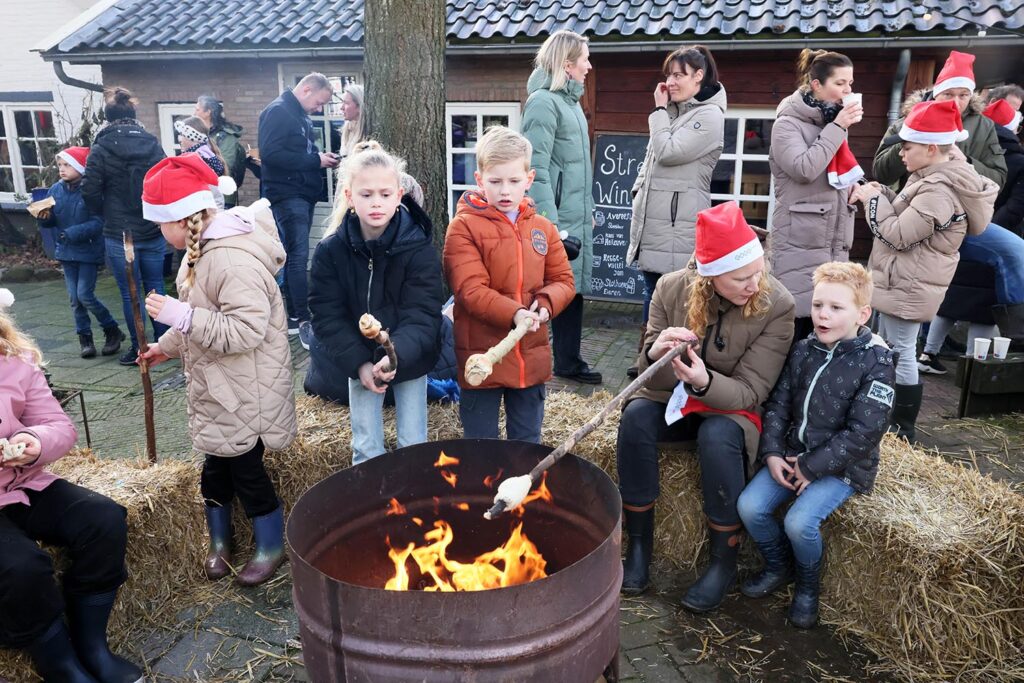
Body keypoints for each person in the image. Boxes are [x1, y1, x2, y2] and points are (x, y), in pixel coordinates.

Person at [616, 201, 795, 611]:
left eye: (758, 271)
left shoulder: (777, 305)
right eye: (741, 278)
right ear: (711, 276)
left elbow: (751, 391)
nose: (755, 284)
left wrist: (703, 381)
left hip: (733, 409)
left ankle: (723, 560)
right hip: (674, 402)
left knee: (717, 434)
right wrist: (654, 355)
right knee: (637, 417)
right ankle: (639, 546)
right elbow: (648, 378)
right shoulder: (670, 288)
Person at [138, 155, 298, 586]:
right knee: (214, 470)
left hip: (246, 391)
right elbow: (199, 315)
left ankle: (270, 545)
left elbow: (245, 331)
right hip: (220, 390)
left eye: (160, 224)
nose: (159, 232)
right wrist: (166, 346)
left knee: (247, 472)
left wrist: (181, 319)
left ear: (181, 219)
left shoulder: (229, 261)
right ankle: (220, 541)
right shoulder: (202, 254)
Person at [737, 262, 895, 629]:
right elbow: (778, 403)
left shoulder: (877, 361)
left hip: (842, 467)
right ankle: (780, 567)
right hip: (793, 453)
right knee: (749, 506)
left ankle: (809, 587)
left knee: (799, 522)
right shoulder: (805, 348)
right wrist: (773, 452)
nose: (823, 315)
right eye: (819, 305)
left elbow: (864, 432)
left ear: (862, 313)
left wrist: (812, 467)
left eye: (836, 308)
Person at [0, 290, 142, 683]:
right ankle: (60, 663)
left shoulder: (14, 361)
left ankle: (91, 644)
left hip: (22, 481)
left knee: (103, 519)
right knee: (22, 569)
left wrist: (33, 443)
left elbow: (59, 426)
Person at [851, 100, 997, 441]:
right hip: (904, 280)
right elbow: (904, 214)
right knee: (891, 350)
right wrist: (881, 191)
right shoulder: (929, 178)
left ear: (932, 147)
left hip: (909, 285)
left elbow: (899, 235)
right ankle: (888, 420)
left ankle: (902, 429)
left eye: (907, 146)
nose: (901, 153)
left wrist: (872, 200)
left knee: (900, 353)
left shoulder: (939, 190)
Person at [307, 144, 442, 464]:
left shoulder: (418, 248)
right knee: (365, 445)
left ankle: (414, 507)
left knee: (413, 443)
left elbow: (423, 313)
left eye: (384, 194)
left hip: (410, 355)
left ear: (399, 195)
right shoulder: (331, 252)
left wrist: (396, 356)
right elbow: (327, 315)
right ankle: (373, 507)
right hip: (359, 356)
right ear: (350, 197)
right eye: (366, 194)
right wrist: (360, 363)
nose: (376, 202)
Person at [443, 126, 575, 442]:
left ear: (528, 180)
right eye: (495, 181)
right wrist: (516, 313)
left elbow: (563, 281)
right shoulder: (462, 228)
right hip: (481, 357)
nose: (505, 191)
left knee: (527, 444)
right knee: (481, 445)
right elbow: (470, 289)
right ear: (479, 180)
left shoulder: (543, 228)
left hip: (530, 358)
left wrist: (545, 304)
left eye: (514, 181)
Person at [626, 45, 726, 378]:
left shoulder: (708, 116)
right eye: (669, 74)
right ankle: (648, 357)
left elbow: (667, 151)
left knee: (673, 298)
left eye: (679, 74)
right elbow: (653, 164)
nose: (671, 81)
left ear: (699, 76)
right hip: (657, 224)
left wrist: (658, 110)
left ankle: (670, 364)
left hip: (677, 226)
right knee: (653, 294)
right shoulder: (678, 111)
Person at [522, 29, 600, 385]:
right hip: (557, 221)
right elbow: (534, 172)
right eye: (584, 58)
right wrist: (552, 227)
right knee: (548, 292)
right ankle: (533, 360)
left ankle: (568, 359)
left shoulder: (570, 104)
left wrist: (587, 212)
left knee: (572, 288)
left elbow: (573, 168)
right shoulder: (544, 102)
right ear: (568, 64)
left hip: (574, 215)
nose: (589, 65)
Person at [768, 49, 864, 340]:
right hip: (800, 243)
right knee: (796, 330)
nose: (847, 90)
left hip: (832, 244)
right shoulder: (787, 124)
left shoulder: (831, 123)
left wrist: (854, 187)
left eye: (850, 83)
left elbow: (831, 175)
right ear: (816, 85)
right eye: (840, 83)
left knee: (824, 335)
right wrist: (838, 127)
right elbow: (804, 169)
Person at [82, 86, 168, 366]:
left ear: (108, 118)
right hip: (153, 228)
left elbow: (90, 191)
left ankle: (140, 349)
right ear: (133, 114)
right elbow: (165, 179)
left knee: (131, 292)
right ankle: (165, 345)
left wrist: (105, 214)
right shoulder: (152, 143)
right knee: (156, 288)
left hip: (119, 234)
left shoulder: (102, 147)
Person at [258, 72, 341, 337]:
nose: (319, 109)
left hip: (300, 194)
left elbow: (296, 152)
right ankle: (302, 320)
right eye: (319, 102)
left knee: (295, 256)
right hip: (287, 195)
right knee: (296, 257)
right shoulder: (279, 112)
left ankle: (295, 316)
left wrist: (318, 158)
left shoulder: (297, 114)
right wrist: (315, 161)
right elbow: (270, 155)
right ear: (306, 90)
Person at [38, 146, 125, 359]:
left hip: (87, 250)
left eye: (67, 165)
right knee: (74, 299)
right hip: (67, 251)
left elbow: (98, 221)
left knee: (85, 295)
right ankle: (85, 339)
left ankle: (111, 329)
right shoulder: (55, 190)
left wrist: (73, 233)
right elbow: (52, 220)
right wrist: (45, 218)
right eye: (59, 165)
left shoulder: (90, 190)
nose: (62, 169)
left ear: (79, 166)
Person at [873, 51, 1006, 190]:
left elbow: (999, 181)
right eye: (948, 94)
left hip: (962, 208)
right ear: (937, 94)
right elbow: (881, 174)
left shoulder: (984, 127)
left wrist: (966, 162)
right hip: (913, 204)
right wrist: (909, 140)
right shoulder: (906, 123)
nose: (955, 102)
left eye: (963, 95)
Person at [173, 116, 239, 210]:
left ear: (192, 137)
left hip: (203, 214)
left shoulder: (198, 160)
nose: (179, 139)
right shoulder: (206, 154)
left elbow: (211, 196)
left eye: (182, 135)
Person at [194, 95, 247, 208]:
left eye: (197, 109)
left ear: (208, 112)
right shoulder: (200, 134)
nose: (194, 113)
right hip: (201, 195)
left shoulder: (226, 136)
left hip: (222, 197)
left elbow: (225, 165)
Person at [983, 99, 1024, 235]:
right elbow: (1015, 208)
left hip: (964, 229)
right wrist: (988, 233)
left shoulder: (973, 151)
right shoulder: (1020, 161)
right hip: (1003, 235)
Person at [339, 83, 368, 158]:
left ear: (359, 106)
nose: (341, 108)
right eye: (342, 102)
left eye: (346, 103)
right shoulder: (347, 129)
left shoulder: (369, 131)